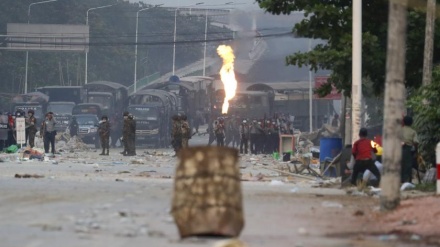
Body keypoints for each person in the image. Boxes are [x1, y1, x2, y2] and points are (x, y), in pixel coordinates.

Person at [401, 116, 418, 183]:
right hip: (408, 149)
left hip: (399, 149)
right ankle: (407, 181)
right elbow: (416, 142)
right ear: (411, 123)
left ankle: (400, 180)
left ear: (403, 122)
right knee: (408, 165)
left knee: (400, 164)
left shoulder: (399, 130)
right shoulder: (413, 132)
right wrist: (416, 151)